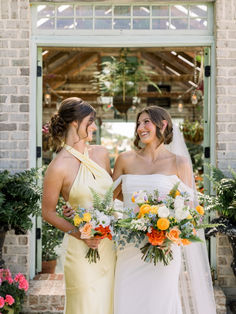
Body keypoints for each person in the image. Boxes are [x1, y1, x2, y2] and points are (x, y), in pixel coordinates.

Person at [112, 105, 216, 314]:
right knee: (127, 300)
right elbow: (110, 197)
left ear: (163, 124)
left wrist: (170, 235)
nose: (140, 127)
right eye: (138, 123)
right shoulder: (125, 159)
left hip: (165, 248)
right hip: (130, 248)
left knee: (161, 302)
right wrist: (137, 216)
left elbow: (190, 209)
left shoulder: (179, 162)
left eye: (146, 122)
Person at [42, 97, 116, 314]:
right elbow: (47, 212)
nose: (94, 126)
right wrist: (80, 234)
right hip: (81, 249)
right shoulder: (57, 167)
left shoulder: (102, 154)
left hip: (109, 247)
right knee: (85, 306)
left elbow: (112, 196)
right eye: (90, 121)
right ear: (75, 122)